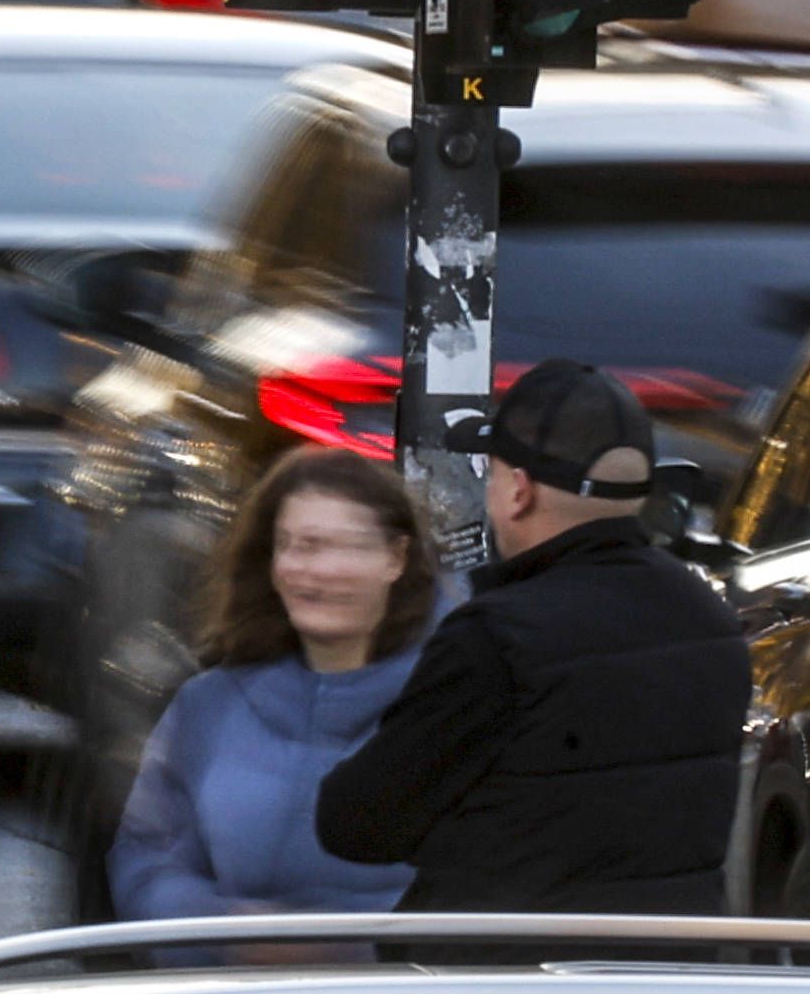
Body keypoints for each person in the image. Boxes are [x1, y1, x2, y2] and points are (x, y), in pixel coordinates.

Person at [315, 361, 751, 913]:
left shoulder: (497, 638)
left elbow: (358, 825)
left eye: (492, 475)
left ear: (519, 490)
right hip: (665, 975)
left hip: (508, 977)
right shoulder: (711, 621)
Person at [110, 448, 434, 921]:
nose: (316, 570)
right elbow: (146, 861)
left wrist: (349, 948)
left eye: (347, 546)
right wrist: (226, 933)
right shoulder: (208, 705)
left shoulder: (454, 702)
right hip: (240, 992)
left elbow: (490, 882)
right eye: (297, 545)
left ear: (396, 557)